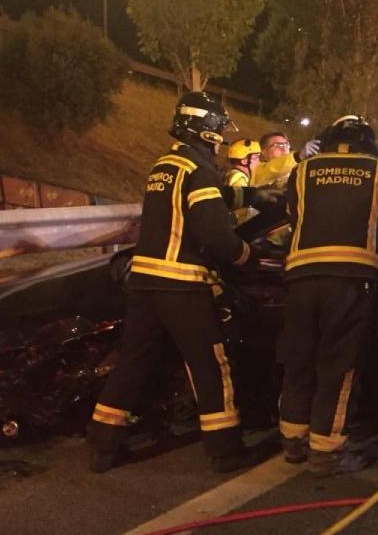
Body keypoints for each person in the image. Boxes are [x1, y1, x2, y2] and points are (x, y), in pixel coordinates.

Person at [87, 92, 262, 474]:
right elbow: (216, 235)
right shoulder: (197, 171)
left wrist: (251, 196)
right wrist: (246, 256)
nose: (220, 136)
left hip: (145, 283)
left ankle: (101, 445)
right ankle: (225, 450)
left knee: (132, 363)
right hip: (182, 284)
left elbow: (195, 202)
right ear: (207, 129)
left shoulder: (165, 165)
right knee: (210, 367)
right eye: (218, 127)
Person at [276, 115, 378, 476]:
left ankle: (293, 441)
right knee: (338, 362)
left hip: (301, 276)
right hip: (353, 277)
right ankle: (327, 452)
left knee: (299, 358)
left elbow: (292, 216)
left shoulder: (303, 171)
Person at [252, 132, 320, 188]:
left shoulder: (297, 170)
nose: (284, 149)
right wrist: (298, 156)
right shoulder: (255, 170)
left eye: (286, 145)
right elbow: (273, 169)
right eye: (278, 145)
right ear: (263, 152)